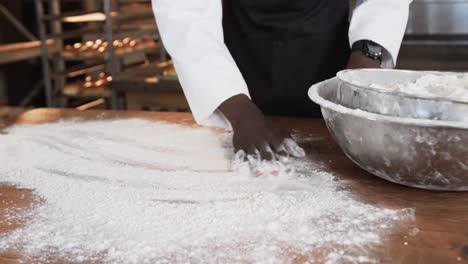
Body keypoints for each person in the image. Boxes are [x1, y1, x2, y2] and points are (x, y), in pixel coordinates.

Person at [151, 0, 411, 160]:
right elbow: (185, 14)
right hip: (240, 81)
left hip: (333, 73)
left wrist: (365, 62)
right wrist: (239, 111)